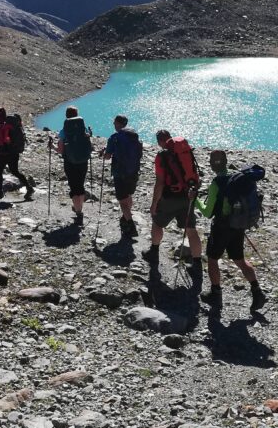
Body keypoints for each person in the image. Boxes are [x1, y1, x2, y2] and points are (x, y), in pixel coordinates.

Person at [196, 150, 267, 313]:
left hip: (222, 227)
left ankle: (216, 293)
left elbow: (207, 213)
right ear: (227, 161)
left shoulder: (216, 183)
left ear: (211, 164)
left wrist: (195, 200)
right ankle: (257, 292)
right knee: (239, 260)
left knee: (213, 259)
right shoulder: (237, 178)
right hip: (238, 225)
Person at [143, 129, 203, 280]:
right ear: (170, 138)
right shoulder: (185, 152)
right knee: (191, 229)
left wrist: (154, 203)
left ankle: (154, 252)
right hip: (188, 195)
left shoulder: (162, 156)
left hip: (170, 197)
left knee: (157, 223)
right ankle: (197, 264)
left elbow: (160, 182)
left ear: (159, 142)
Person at [101, 114, 143, 237]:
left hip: (120, 173)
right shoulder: (134, 136)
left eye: (115, 122)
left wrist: (104, 154)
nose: (114, 124)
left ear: (119, 123)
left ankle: (130, 225)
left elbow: (108, 156)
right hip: (133, 172)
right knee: (128, 195)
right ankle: (126, 217)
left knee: (122, 201)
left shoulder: (114, 137)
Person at [0, 107, 34, 201]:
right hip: (14, 152)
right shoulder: (11, 124)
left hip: (4, 152)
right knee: (15, 171)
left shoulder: (1, 125)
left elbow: (0, 141)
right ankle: (29, 188)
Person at [56, 106, 93, 225]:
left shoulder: (64, 131)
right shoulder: (84, 129)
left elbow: (61, 150)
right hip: (83, 161)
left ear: (66, 116)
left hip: (70, 162)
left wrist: (52, 147)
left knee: (74, 187)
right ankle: (79, 208)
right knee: (80, 185)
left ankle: (78, 212)